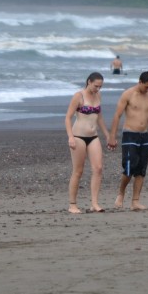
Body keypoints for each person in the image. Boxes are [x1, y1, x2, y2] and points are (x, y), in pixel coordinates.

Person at [108, 71, 148, 211]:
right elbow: (117, 115)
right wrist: (112, 136)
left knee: (141, 170)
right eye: (146, 87)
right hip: (129, 134)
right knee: (129, 168)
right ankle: (121, 193)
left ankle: (135, 201)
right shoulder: (128, 94)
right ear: (140, 82)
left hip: (144, 136)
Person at [64, 72, 111, 214]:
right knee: (78, 171)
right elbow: (67, 118)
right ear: (89, 82)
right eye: (96, 86)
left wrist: (108, 135)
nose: (97, 89)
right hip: (78, 136)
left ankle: (95, 203)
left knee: (98, 168)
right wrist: (70, 137)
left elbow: (99, 117)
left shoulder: (98, 96)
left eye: (100, 87)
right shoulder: (79, 96)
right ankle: (72, 204)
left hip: (93, 136)